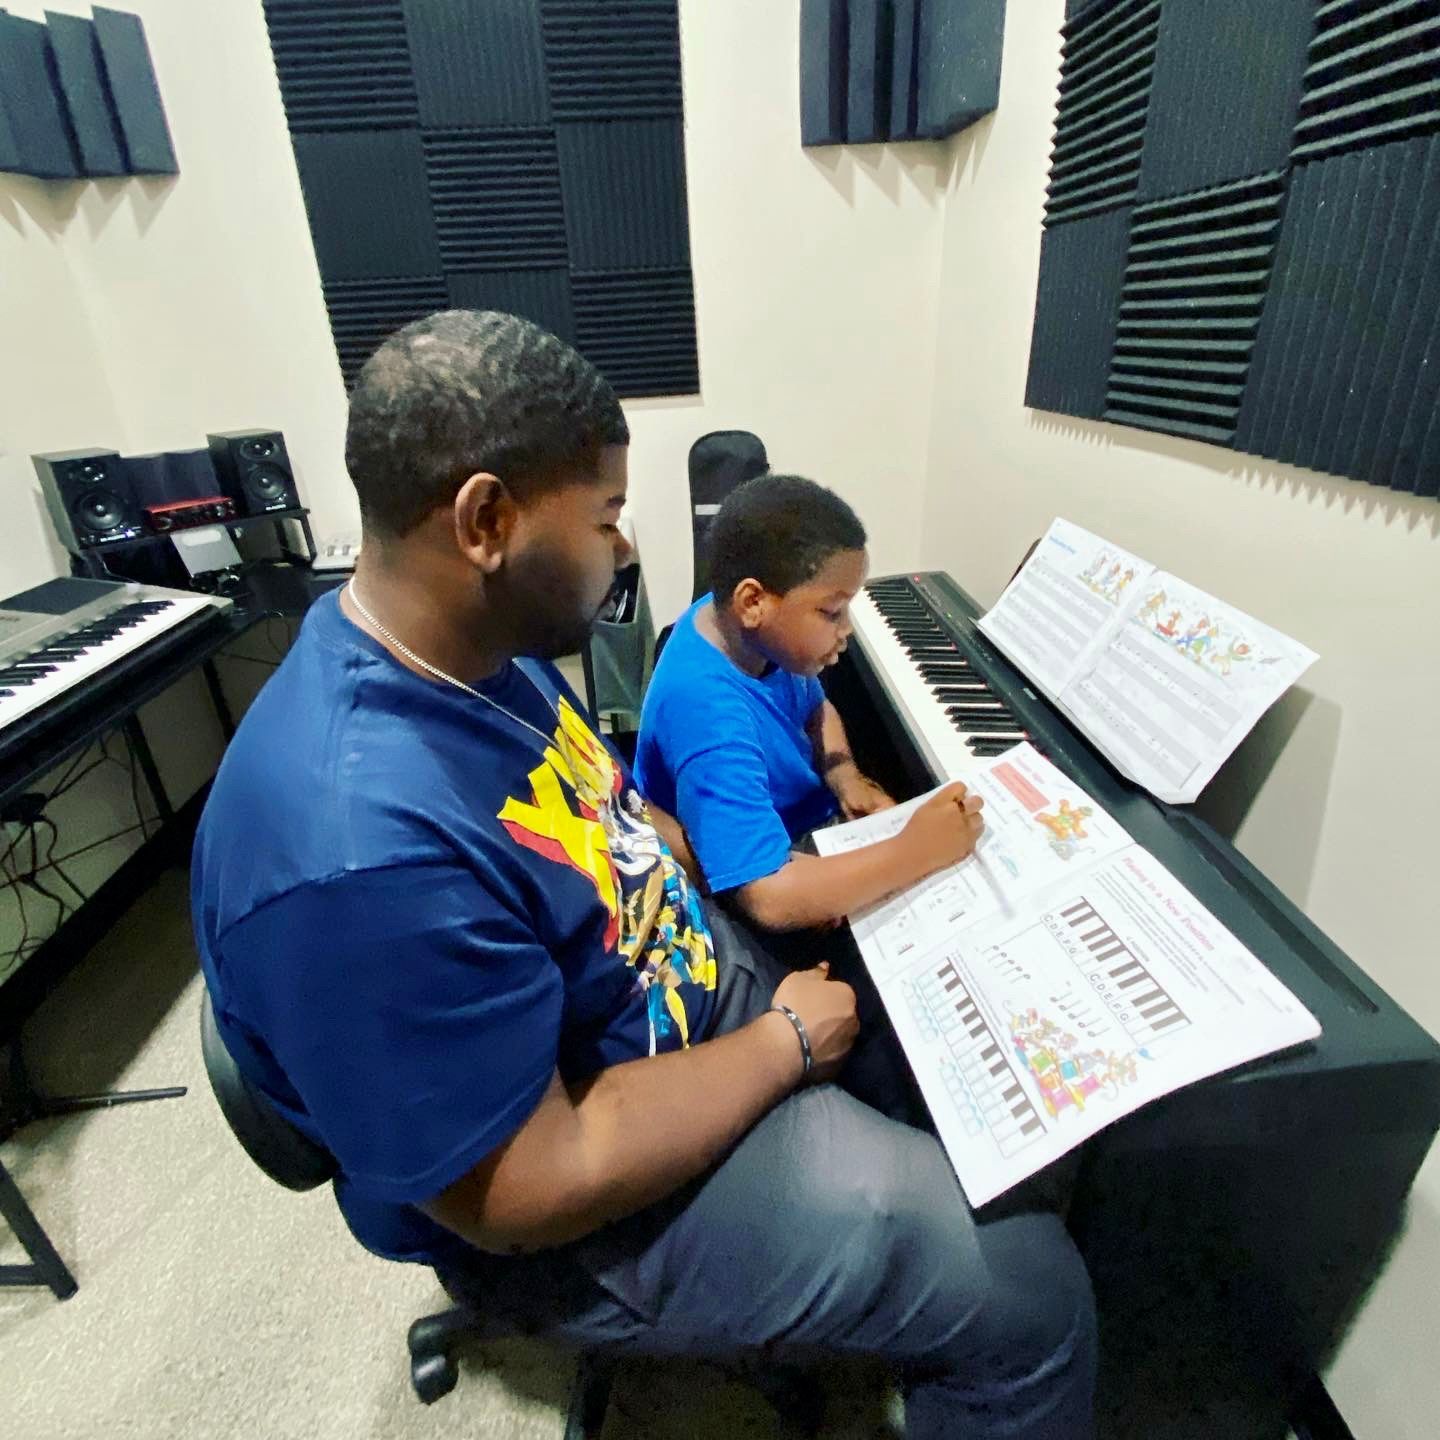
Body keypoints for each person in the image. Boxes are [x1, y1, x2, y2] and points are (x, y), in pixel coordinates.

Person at [192, 311, 1095, 1439]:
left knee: (1015, 1105)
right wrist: (782, 1046)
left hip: (675, 1001)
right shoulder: (351, 854)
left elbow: (592, 799)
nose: (625, 549)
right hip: (581, 1201)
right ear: (486, 520)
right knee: (1031, 1289)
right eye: (609, 517)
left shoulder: (476, 656)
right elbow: (525, 1185)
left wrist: (652, 823)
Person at [635, 474, 984, 931]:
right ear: (753, 601)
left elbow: (816, 710)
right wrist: (915, 851)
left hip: (799, 826)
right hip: (766, 869)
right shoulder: (705, 713)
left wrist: (844, 775)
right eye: (831, 611)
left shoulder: (745, 632)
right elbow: (768, 898)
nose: (847, 630)